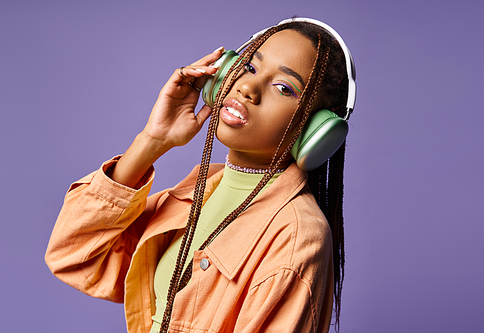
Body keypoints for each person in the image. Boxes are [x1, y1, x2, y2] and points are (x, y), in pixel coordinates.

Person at [45, 17, 355, 333]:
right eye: (249, 67)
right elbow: (73, 255)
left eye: (283, 87)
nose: (247, 87)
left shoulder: (297, 239)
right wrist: (152, 141)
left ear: (317, 132)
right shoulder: (200, 193)